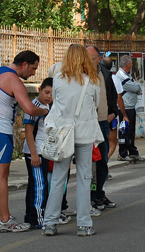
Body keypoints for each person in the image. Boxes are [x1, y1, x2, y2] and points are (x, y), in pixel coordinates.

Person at [0, 50, 48, 233]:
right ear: (24, 64)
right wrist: (45, 111)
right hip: (0, 130)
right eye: (33, 68)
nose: (33, 73)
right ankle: (6, 220)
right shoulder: (13, 80)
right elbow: (29, 108)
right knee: (1, 176)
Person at [43, 44, 103, 237]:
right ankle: (84, 224)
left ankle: (50, 222)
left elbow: (56, 103)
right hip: (84, 133)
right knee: (85, 178)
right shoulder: (93, 81)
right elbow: (95, 105)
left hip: (63, 134)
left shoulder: (58, 80)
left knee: (59, 178)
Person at [86, 46, 118, 211]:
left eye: (91, 58)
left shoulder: (105, 74)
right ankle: (91, 197)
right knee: (90, 163)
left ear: (99, 59)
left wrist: (113, 112)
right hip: (87, 123)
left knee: (103, 161)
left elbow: (112, 95)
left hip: (103, 122)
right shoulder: (81, 74)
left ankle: (99, 194)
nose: (88, 61)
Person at [22, 77, 53, 229]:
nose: (49, 96)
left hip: (43, 151)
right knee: (40, 186)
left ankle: (30, 216)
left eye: (52, 94)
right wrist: (33, 154)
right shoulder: (33, 106)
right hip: (35, 153)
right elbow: (28, 131)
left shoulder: (47, 107)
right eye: (46, 92)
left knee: (35, 185)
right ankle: (37, 218)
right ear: (40, 89)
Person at [116, 54, 143, 161]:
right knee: (124, 131)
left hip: (130, 106)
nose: (132, 64)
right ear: (127, 64)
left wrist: (136, 86)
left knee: (131, 131)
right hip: (125, 108)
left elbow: (136, 87)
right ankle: (122, 153)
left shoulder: (127, 75)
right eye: (131, 63)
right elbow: (136, 87)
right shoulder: (121, 77)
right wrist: (137, 86)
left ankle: (132, 151)